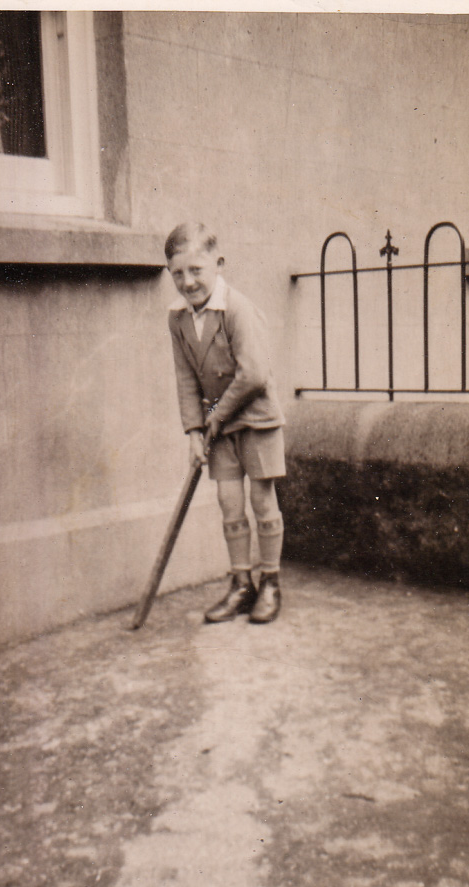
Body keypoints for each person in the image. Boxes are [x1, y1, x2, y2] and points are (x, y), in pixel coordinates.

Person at [165, 222, 286, 624]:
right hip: (219, 429)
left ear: (218, 264)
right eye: (178, 273)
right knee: (228, 503)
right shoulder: (178, 319)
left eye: (196, 270)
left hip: (256, 420)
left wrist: (215, 415)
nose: (188, 281)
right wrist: (194, 433)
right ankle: (241, 585)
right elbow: (186, 378)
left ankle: (270, 582)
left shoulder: (237, 308)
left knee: (261, 501)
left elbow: (253, 374)